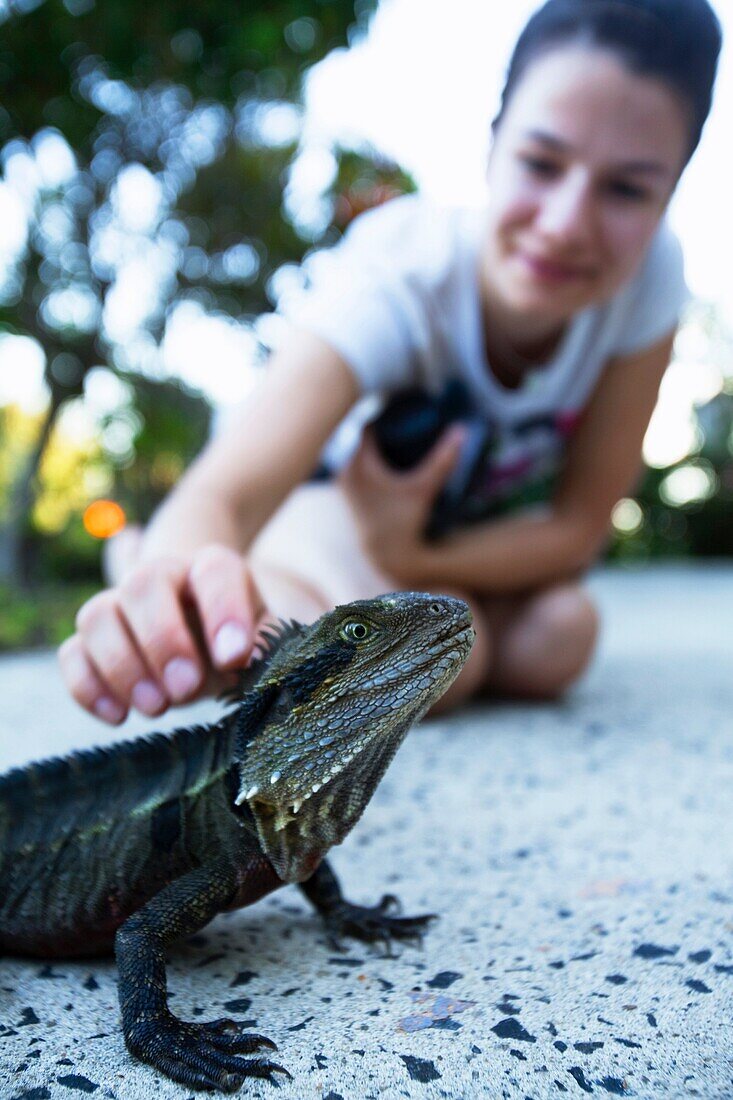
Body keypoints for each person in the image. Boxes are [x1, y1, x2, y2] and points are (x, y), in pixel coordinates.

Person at [59, 0, 722, 724]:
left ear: (671, 190)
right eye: (539, 162)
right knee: (444, 666)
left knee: (557, 639)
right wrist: (174, 579)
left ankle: (410, 598)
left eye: (626, 189)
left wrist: (413, 558)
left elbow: (576, 529)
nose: (564, 225)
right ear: (492, 142)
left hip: (443, 543)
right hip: (326, 505)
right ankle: (147, 559)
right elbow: (227, 494)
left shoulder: (651, 277)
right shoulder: (400, 270)